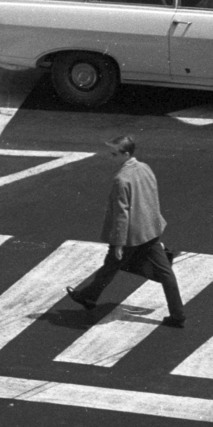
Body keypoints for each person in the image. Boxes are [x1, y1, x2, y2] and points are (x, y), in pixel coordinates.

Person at [66, 135, 186, 327]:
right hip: (150, 230)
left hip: (131, 236)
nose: (110, 157)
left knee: (112, 265)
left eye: (114, 154)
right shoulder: (145, 168)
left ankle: (88, 296)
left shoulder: (121, 179)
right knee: (165, 273)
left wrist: (119, 242)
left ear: (126, 154)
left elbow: (122, 214)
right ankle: (178, 314)